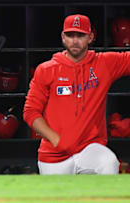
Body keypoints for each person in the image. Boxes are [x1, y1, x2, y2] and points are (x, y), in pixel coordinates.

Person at [23, 14, 130, 174]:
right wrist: (56, 140)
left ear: (90, 37)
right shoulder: (46, 69)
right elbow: (30, 112)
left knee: (109, 163)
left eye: (80, 35)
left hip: (89, 149)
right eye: (70, 35)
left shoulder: (104, 63)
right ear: (63, 37)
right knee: (56, 199)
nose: (75, 40)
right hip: (54, 155)